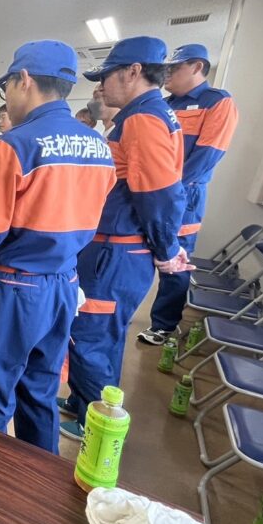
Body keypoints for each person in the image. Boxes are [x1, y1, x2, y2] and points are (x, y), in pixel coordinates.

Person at [0, 41, 115, 453]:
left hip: (14, 289)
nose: (7, 98)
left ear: (24, 80)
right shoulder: (99, 146)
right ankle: (38, 484)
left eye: (6, 87)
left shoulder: (14, 144)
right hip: (64, 285)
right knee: (40, 391)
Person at [59, 37, 191, 439]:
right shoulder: (145, 115)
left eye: (106, 76)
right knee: (104, 334)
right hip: (113, 251)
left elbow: (159, 195)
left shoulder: (144, 119)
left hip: (115, 255)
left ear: (134, 72)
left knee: (91, 336)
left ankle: (94, 424)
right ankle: (85, 400)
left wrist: (167, 251)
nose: (101, 86)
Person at [139, 44, 239, 345]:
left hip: (184, 195)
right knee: (140, 252)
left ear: (197, 67)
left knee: (175, 260)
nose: (167, 74)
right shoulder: (164, 104)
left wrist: (167, 190)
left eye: (175, 68)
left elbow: (206, 157)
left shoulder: (217, 102)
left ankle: (163, 325)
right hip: (152, 192)